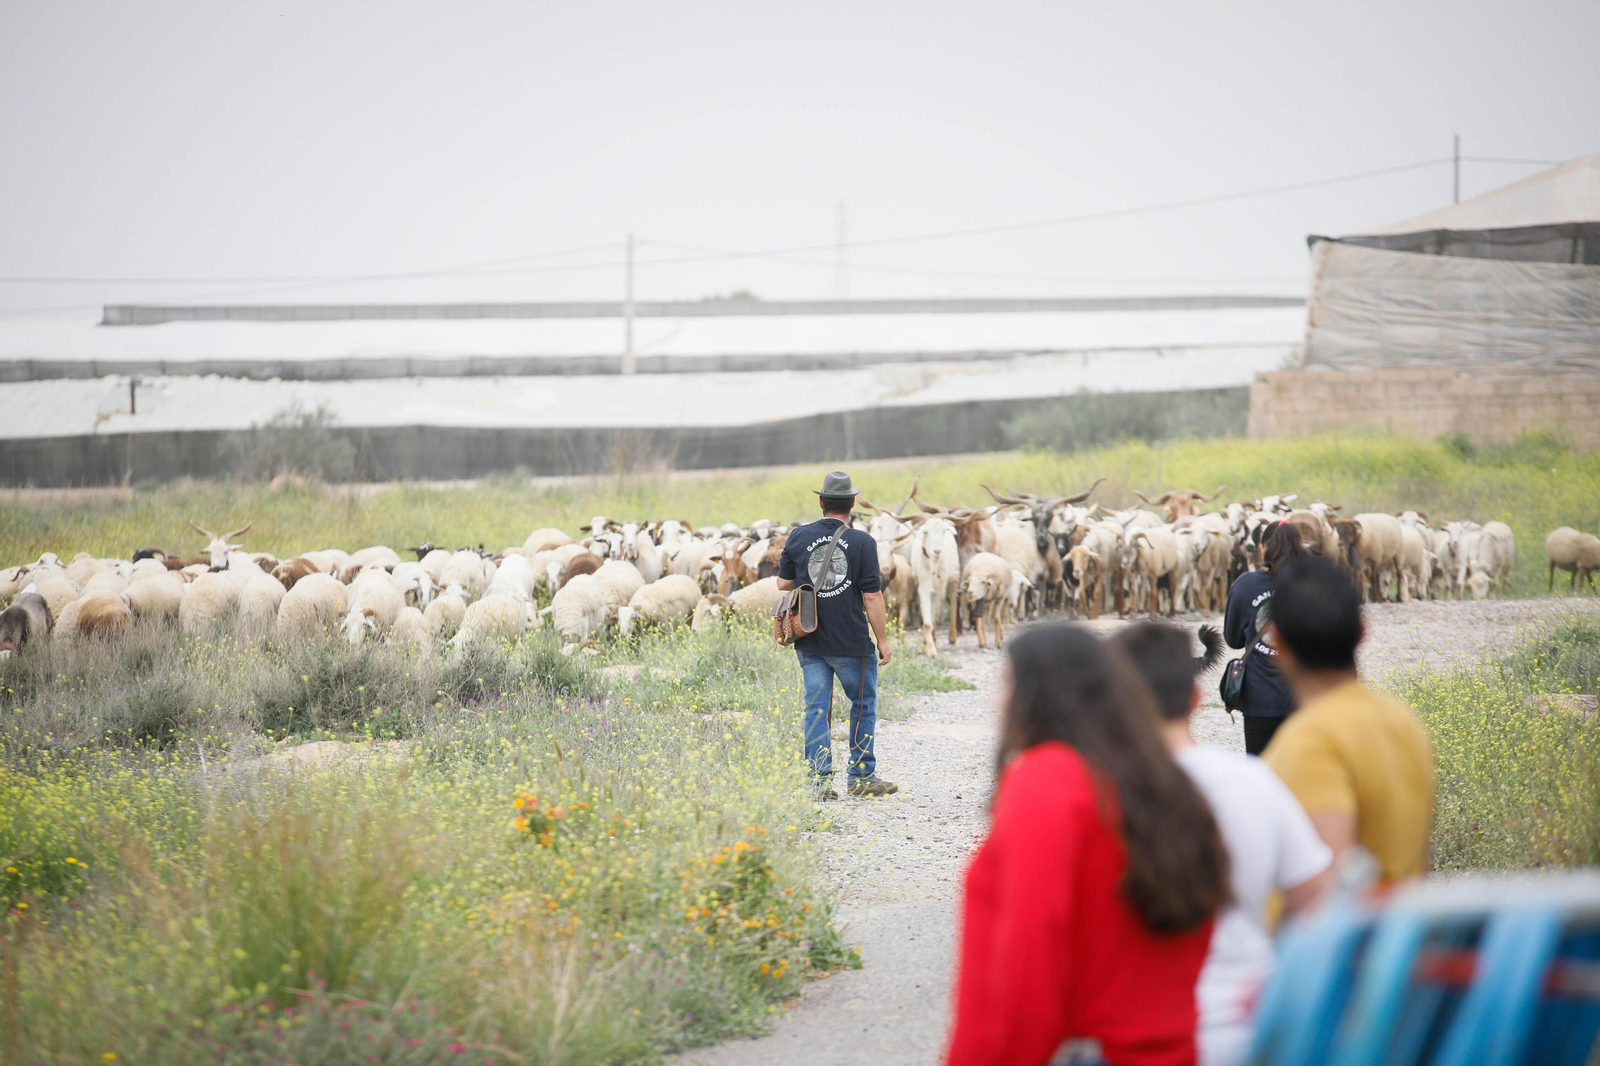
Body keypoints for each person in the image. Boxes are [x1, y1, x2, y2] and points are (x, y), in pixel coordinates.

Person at [946, 624, 1230, 1066]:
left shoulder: (1047, 781)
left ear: (1040, 696)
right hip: (1164, 1049)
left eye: (1006, 684)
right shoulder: (1160, 782)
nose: (995, 701)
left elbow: (1029, 964)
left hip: (1084, 1050)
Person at [1112, 621, 1332, 1066]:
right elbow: (1317, 902)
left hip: (1135, 1036)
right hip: (1248, 1032)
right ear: (1195, 700)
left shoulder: (1097, 796)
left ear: (1110, 702)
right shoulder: (1257, 782)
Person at [1262, 557, 1435, 884]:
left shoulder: (1312, 741)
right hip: (1400, 928)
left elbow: (1329, 888)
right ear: (1362, 633)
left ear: (1278, 643)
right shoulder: (1405, 722)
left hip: (1348, 935)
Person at [776, 470, 898, 799]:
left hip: (810, 640)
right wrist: (883, 642)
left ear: (821, 502)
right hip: (852, 644)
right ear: (853, 503)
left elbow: (783, 584)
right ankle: (860, 778)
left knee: (816, 708)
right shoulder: (862, 542)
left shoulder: (799, 537)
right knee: (863, 705)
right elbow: (872, 595)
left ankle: (818, 783)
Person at [1222, 521, 1305, 755]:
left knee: (1261, 774)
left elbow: (1233, 638)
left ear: (1262, 548)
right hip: (1302, 697)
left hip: (1259, 699)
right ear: (1299, 547)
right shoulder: (1312, 584)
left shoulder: (1245, 585)